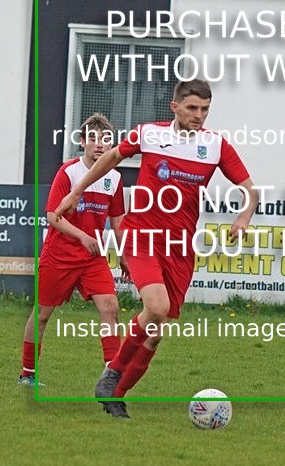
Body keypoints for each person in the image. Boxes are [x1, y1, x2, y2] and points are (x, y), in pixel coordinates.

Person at [53, 79, 258, 418]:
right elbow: (112, 158)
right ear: (174, 107)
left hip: (178, 247)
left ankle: (115, 395)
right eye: (192, 108)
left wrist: (244, 217)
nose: (199, 115)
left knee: (155, 333)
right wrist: (77, 192)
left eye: (205, 109)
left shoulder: (216, 146)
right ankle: (113, 372)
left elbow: (250, 189)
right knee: (157, 307)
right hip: (141, 235)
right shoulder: (149, 134)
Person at [19, 113, 126, 387]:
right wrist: (81, 236)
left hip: (92, 258)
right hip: (60, 255)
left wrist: (125, 256)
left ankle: (111, 377)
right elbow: (53, 216)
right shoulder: (68, 172)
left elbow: (117, 222)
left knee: (110, 306)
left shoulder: (114, 178)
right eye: (93, 138)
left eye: (105, 140)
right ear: (82, 142)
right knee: (42, 314)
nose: (99, 145)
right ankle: (28, 374)